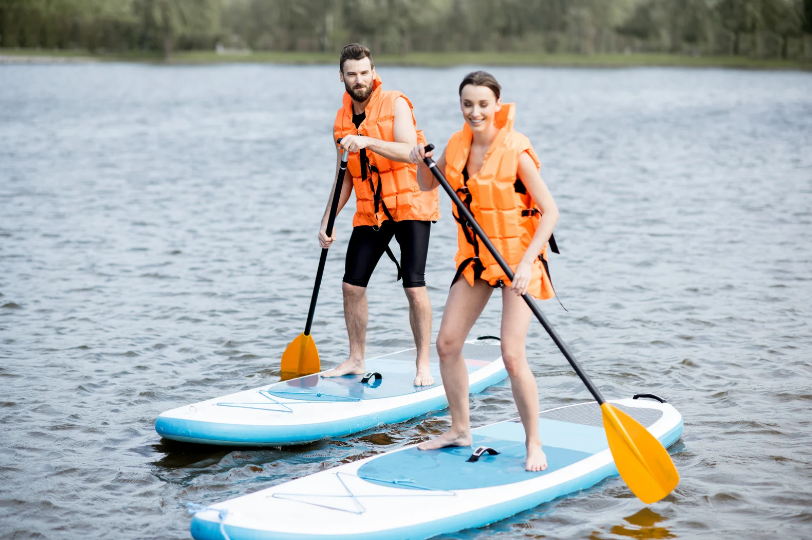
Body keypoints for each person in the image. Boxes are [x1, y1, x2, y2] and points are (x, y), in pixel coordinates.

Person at [409, 71, 559, 471]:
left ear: (497, 104)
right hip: (478, 261)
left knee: (511, 354)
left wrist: (527, 264)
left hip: (517, 262)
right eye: (467, 104)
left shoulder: (517, 151)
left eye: (482, 104)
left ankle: (534, 443)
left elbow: (551, 212)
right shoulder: (457, 145)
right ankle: (460, 429)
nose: (475, 112)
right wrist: (419, 160)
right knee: (447, 344)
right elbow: (427, 183)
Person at [319, 43, 440, 386]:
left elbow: (408, 152)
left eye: (364, 72)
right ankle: (356, 359)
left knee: (414, 287)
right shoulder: (341, 121)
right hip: (372, 211)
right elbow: (344, 176)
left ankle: (423, 365)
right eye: (352, 74)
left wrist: (367, 140)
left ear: (374, 71)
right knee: (351, 285)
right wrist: (327, 221)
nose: (359, 80)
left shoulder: (395, 102)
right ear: (341, 77)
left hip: (411, 205)